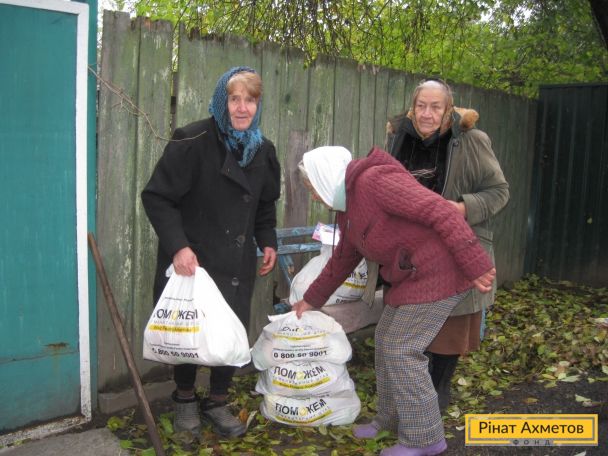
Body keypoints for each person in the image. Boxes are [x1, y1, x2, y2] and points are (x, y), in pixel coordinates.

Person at [292, 145, 496, 456]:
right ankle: (391, 420)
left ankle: (424, 439)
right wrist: (310, 299)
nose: (314, 197)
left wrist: (475, 263)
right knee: (386, 339)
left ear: (325, 177)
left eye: (312, 188)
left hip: (440, 271)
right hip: (411, 276)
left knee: (402, 349)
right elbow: (343, 258)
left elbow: (440, 210)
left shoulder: (374, 182)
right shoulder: (348, 208)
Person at [141, 66, 281, 438]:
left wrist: (267, 240)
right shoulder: (192, 139)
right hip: (194, 260)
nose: (242, 108)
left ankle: (218, 401)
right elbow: (157, 197)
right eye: (234, 99)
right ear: (222, 101)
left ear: (258, 105)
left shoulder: (263, 150)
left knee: (229, 332)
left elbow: (264, 205)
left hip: (235, 263)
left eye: (250, 100)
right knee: (190, 329)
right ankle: (185, 398)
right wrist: (178, 247)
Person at [385, 78, 509, 412]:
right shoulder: (398, 139)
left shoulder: (470, 141)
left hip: (455, 253)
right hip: (410, 256)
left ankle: (436, 399)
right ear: (413, 108)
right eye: (421, 106)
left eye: (435, 107)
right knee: (410, 334)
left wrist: (462, 208)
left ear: (448, 109)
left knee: (447, 332)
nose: (427, 114)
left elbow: (499, 191)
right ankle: (413, 401)